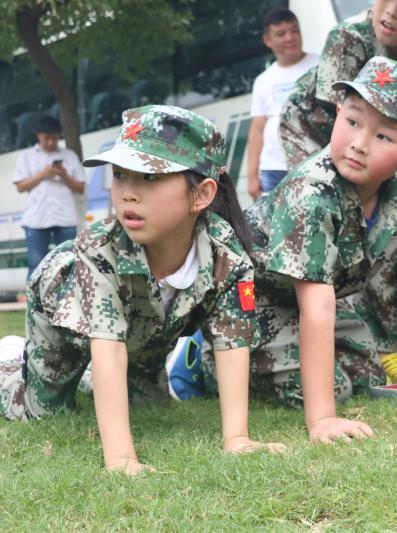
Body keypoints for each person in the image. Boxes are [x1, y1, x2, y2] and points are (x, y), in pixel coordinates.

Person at [0, 105, 285, 475]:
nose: (128, 194)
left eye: (149, 178)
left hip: (142, 333)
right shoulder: (100, 248)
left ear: (201, 195)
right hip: (63, 320)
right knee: (42, 411)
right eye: (120, 175)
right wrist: (121, 461)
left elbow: (232, 345)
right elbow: (107, 348)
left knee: (149, 409)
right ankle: (8, 363)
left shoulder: (225, 253)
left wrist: (237, 439)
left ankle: (89, 378)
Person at [248, 57, 397, 443]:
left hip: (305, 300)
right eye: (353, 122)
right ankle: (203, 362)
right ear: (338, 112)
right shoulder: (311, 192)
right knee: (325, 387)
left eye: (384, 136)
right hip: (251, 302)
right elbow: (318, 305)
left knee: (367, 373)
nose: (359, 144)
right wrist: (323, 419)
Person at [278, 0, 397, 199]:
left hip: (379, 132)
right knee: (324, 197)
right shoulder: (349, 35)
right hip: (314, 125)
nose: (392, 11)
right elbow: (343, 117)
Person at [246, 8, 319, 199]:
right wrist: (252, 176)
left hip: (313, 160)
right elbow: (257, 129)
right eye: (281, 34)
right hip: (273, 168)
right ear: (267, 40)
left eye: (295, 31)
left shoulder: (320, 65)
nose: (290, 37)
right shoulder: (263, 80)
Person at [13, 116, 85, 278]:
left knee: (69, 262)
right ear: (38, 135)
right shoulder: (26, 156)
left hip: (65, 217)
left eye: (55, 138)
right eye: (47, 138)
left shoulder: (70, 156)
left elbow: (80, 188)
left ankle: (69, 301)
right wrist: (43, 174)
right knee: (36, 264)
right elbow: (20, 187)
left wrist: (64, 175)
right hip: (36, 218)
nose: (51, 142)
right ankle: (36, 303)